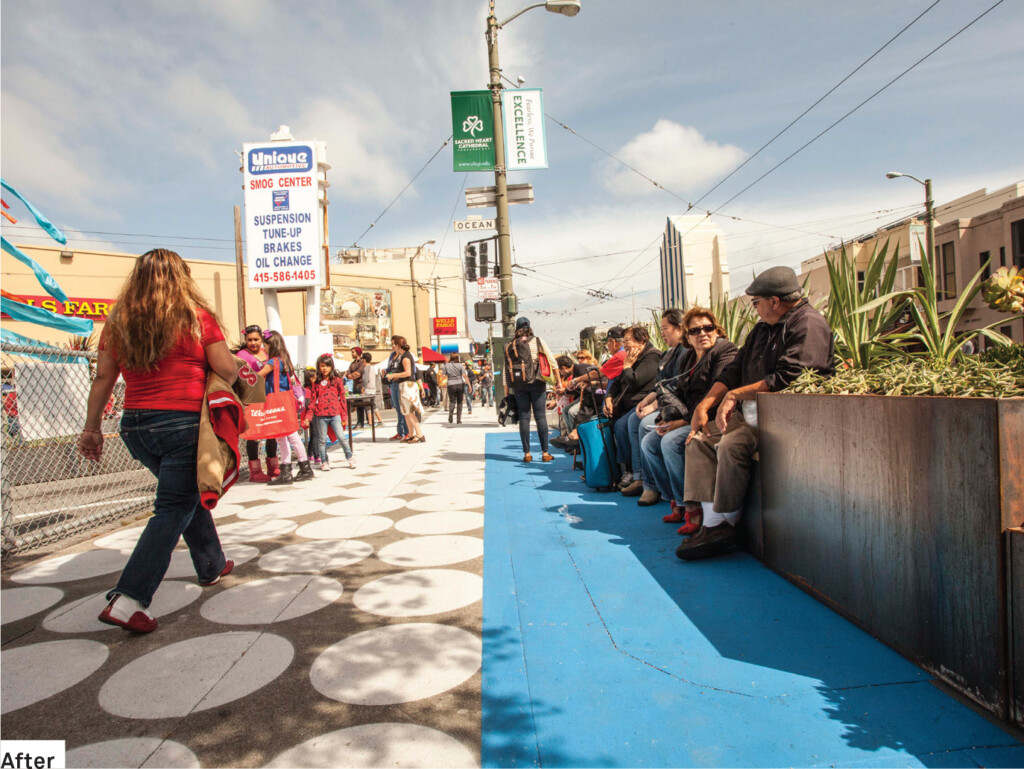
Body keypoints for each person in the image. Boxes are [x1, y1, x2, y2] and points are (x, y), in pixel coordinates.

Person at [77, 249, 237, 633]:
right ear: (182, 277)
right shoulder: (196, 318)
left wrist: (92, 427)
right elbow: (228, 369)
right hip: (183, 425)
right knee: (171, 508)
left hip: (135, 427)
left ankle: (211, 564)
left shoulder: (119, 322)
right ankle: (129, 599)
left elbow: (104, 379)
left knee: (183, 497)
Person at [678, 266, 836, 560]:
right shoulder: (763, 330)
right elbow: (734, 369)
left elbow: (789, 377)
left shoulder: (808, 324)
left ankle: (726, 522)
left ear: (774, 301)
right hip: (752, 415)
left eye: (757, 302)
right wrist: (705, 405)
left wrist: (736, 395)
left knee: (730, 445)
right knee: (698, 439)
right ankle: (712, 524)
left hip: (785, 421)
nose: (755, 309)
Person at [638, 308, 738, 526]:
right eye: (695, 330)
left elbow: (720, 388)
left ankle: (691, 507)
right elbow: (679, 392)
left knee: (671, 442)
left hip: (711, 418)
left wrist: (683, 421)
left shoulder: (724, 350)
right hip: (688, 415)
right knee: (649, 442)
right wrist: (666, 417)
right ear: (687, 336)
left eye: (708, 328)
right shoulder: (689, 357)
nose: (702, 333)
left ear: (716, 329)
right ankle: (676, 499)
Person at [604, 325, 661, 488]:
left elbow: (635, 381)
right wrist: (608, 397)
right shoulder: (633, 356)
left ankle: (635, 472)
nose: (625, 344)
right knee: (612, 423)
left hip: (641, 404)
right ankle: (618, 468)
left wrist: (627, 366)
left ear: (641, 341)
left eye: (628, 340)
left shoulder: (652, 357)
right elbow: (617, 383)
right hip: (625, 405)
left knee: (624, 425)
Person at [258, 330, 315, 484]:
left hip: (277, 402)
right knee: (287, 436)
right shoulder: (285, 361)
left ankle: (292, 470)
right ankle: (300, 468)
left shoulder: (273, 362)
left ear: (271, 345)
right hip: (286, 401)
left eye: (265, 345)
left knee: (286, 437)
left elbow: (258, 375)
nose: (264, 348)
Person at [504, 316, 561, 463]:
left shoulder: (510, 345)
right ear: (529, 327)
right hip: (537, 382)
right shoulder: (537, 341)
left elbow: (506, 370)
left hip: (519, 385)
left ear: (516, 328)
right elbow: (552, 361)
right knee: (540, 417)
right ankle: (545, 453)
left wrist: (506, 393)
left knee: (524, 417)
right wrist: (558, 382)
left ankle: (527, 454)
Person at [235, 323, 278, 482]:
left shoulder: (266, 352)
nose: (253, 343)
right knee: (253, 435)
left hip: (269, 397)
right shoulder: (241, 355)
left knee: (272, 433)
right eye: (250, 339)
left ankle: (273, 467)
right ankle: (255, 472)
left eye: (256, 339)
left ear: (262, 339)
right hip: (252, 399)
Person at [308, 353, 355, 471]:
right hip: (320, 415)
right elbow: (313, 400)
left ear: (331, 367)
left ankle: (350, 457)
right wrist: (308, 416)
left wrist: (344, 416)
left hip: (335, 414)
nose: (324, 368)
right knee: (322, 440)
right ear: (318, 367)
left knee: (342, 437)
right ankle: (324, 461)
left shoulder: (337, 381)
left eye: (327, 366)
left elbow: (342, 399)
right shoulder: (316, 383)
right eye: (322, 366)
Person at [383, 336, 424, 443]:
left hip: (407, 385)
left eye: (393, 344)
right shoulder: (401, 356)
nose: (392, 346)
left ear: (398, 345)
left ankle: (419, 434)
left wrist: (393, 375)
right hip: (403, 385)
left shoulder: (406, 356)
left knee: (409, 412)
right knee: (405, 411)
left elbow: (408, 373)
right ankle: (410, 434)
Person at [384, 344, 410, 442]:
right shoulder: (392, 355)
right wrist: (386, 371)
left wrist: (396, 375)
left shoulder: (404, 356)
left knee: (404, 409)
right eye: (391, 344)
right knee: (398, 409)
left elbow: (409, 371)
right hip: (393, 384)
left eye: (394, 344)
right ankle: (400, 432)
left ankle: (408, 432)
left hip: (400, 383)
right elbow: (389, 368)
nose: (392, 346)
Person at [361, 352, 385, 427]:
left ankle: (370, 423)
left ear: (364, 360)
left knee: (367, 406)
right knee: (373, 405)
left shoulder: (366, 368)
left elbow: (366, 379)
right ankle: (380, 420)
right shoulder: (372, 367)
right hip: (373, 388)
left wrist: (363, 387)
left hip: (368, 389)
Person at [345, 347, 367, 428]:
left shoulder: (362, 362)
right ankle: (360, 421)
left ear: (358, 353)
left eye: (353, 352)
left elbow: (359, 373)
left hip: (362, 385)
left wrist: (352, 375)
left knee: (366, 405)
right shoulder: (352, 364)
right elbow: (348, 374)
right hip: (355, 385)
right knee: (358, 405)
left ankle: (368, 421)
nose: (352, 354)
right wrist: (351, 375)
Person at [443, 353, 467, 424]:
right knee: (459, 402)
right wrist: (468, 384)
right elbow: (464, 375)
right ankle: (458, 419)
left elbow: (443, 375)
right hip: (460, 383)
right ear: (457, 358)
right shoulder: (460, 365)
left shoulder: (446, 365)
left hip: (450, 384)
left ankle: (451, 414)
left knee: (452, 401)